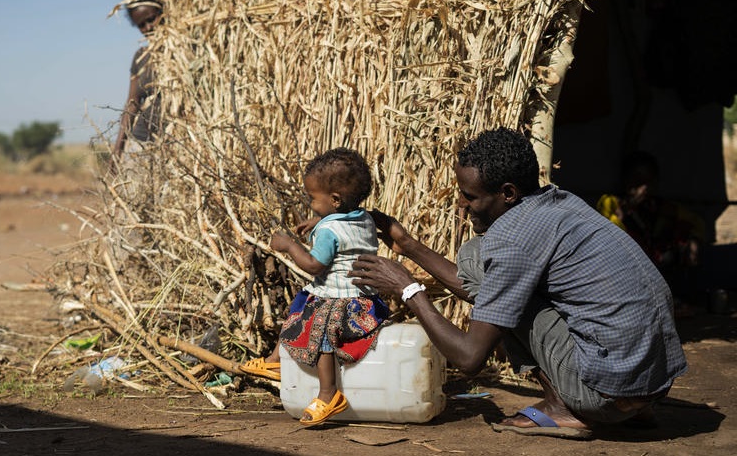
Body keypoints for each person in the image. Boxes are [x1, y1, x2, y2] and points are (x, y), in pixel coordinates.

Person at [350, 127, 687, 440]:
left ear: (507, 193)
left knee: (474, 257)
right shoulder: (562, 202)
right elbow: (493, 292)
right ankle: (632, 408)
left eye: (470, 196)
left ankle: (564, 407)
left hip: (605, 395)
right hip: (652, 383)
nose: (462, 205)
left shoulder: (511, 240)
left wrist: (408, 288)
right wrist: (408, 245)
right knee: (491, 276)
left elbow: (469, 359)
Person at [241, 147, 390, 426]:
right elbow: (344, 221)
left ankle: (328, 394)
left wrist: (288, 245)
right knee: (302, 306)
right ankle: (275, 361)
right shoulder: (364, 218)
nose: (310, 203)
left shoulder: (329, 231)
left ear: (334, 200)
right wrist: (320, 218)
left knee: (320, 327)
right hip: (365, 299)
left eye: (312, 199)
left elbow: (313, 265)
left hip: (342, 304)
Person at [596, 150, 705, 317]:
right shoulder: (610, 202)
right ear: (626, 181)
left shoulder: (661, 207)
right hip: (624, 272)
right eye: (638, 181)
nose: (644, 188)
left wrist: (694, 241)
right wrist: (625, 212)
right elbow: (610, 235)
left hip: (657, 266)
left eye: (649, 182)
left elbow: (696, 223)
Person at [112, 0, 165, 156]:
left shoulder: (185, 50)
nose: (148, 27)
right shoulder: (141, 57)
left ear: (163, 11)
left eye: (151, 19)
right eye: (141, 25)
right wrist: (118, 149)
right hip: (141, 143)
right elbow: (132, 103)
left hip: (176, 143)